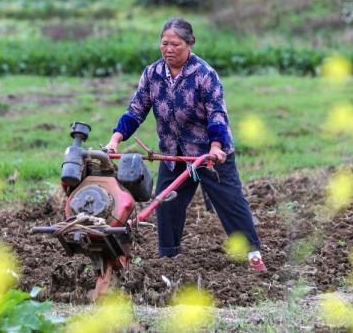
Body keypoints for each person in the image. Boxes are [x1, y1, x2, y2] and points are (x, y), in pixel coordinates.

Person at [105, 18, 266, 271]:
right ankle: (170, 259)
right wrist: (115, 139)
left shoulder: (204, 74)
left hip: (210, 153)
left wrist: (215, 147)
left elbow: (217, 114)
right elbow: (136, 110)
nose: (169, 49)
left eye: (176, 44)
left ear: (190, 44)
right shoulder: (152, 74)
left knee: (231, 203)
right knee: (166, 204)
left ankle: (253, 255)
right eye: (164, 43)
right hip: (174, 154)